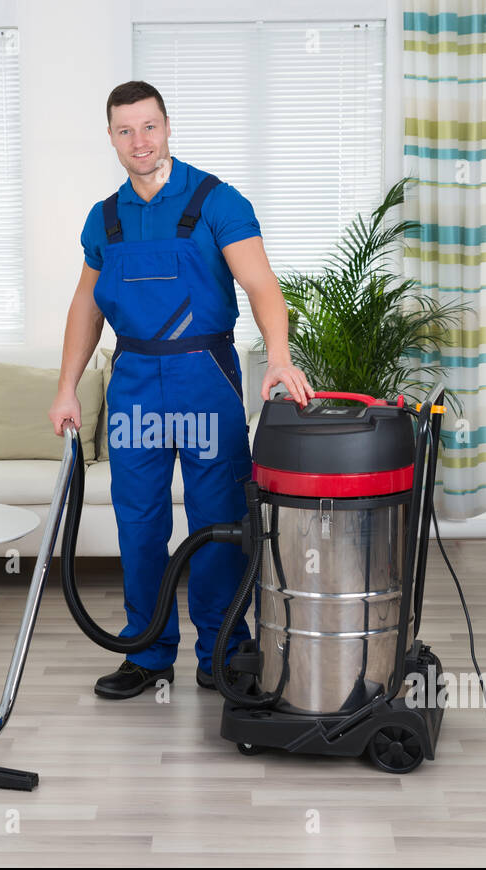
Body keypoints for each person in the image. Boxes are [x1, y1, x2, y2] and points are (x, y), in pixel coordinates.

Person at [47, 80, 313, 700]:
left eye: (149, 126)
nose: (139, 141)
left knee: (218, 519)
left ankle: (222, 647)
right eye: (125, 130)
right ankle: (146, 650)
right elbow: (85, 309)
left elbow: (262, 286)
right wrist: (67, 388)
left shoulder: (216, 201)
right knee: (139, 522)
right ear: (111, 137)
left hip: (204, 378)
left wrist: (278, 356)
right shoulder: (105, 218)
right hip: (135, 383)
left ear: (168, 127)